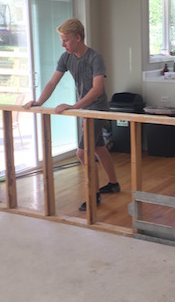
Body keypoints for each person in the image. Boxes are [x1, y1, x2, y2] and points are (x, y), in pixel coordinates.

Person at [23, 18, 120, 211]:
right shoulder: (66, 58)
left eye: (65, 40)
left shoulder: (95, 58)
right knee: (99, 147)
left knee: (82, 152)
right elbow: (52, 82)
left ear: (77, 37)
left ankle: (94, 195)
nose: (62, 44)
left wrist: (75, 106)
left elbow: (97, 89)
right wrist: (39, 101)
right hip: (85, 108)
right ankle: (113, 183)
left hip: (97, 110)